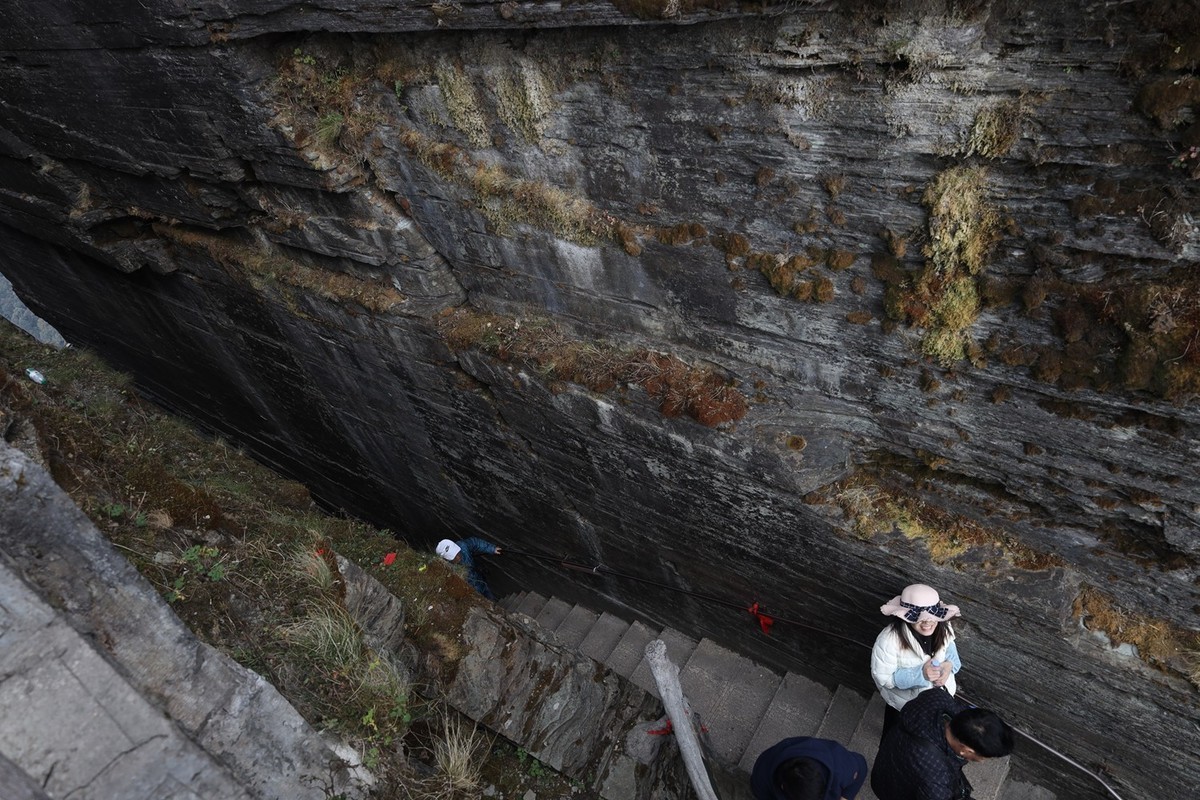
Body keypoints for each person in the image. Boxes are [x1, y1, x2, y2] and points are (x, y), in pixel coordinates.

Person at [870, 687, 1013, 800]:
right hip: (894, 791)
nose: (983, 761)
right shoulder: (936, 780)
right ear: (966, 750)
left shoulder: (936, 697)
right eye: (983, 757)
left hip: (888, 759)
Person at [870, 583, 962, 739]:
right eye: (919, 618)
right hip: (904, 704)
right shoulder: (888, 640)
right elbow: (883, 678)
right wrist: (921, 675)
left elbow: (949, 645)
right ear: (905, 616)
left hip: (938, 698)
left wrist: (949, 665)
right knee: (893, 736)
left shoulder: (943, 625)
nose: (927, 623)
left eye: (932, 617)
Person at [750, 736, 867, 800]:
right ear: (782, 786)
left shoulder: (841, 764)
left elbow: (861, 767)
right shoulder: (762, 776)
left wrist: (846, 797)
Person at [436, 537, 502, 599]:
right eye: (454, 557)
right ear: (447, 559)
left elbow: (476, 543)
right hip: (471, 591)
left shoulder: (463, 546)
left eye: (457, 553)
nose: (458, 557)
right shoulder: (447, 571)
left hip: (479, 579)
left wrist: (492, 548)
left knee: (489, 595)